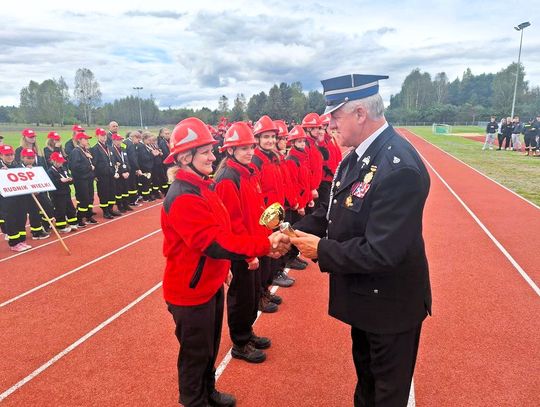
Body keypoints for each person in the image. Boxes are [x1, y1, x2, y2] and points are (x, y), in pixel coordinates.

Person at [290, 73, 432, 407]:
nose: (330, 125)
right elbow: (331, 212)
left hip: (391, 308)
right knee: (367, 384)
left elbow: (381, 251)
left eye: (335, 117)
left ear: (359, 114)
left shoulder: (398, 167)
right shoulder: (358, 156)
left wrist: (321, 249)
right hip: (368, 302)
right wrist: (293, 234)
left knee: (386, 394)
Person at [161, 117, 289, 407]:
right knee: (195, 353)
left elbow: (222, 232)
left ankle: (208, 393)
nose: (212, 156)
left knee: (208, 348)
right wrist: (261, 245)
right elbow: (214, 242)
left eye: (210, 149)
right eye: (204, 151)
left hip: (207, 284)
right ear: (185, 157)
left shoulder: (202, 186)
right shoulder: (183, 196)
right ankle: (194, 400)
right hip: (189, 291)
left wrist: (224, 270)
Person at [213, 121, 271, 364]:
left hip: (251, 245)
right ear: (230, 151)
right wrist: (248, 255)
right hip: (240, 251)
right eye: (243, 148)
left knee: (251, 294)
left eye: (250, 147)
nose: (250, 152)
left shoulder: (246, 172)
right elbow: (233, 223)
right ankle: (240, 342)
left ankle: (247, 332)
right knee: (241, 296)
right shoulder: (228, 178)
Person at [0, 145, 32, 252]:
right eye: (7, 155)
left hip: (19, 197)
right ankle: (14, 243)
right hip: (6, 199)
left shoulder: (16, 165)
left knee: (21, 218)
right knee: (11, 220)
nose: (10, 157)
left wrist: (27, 171)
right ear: (1, 155)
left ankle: (21, 240)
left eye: (11, 154)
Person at [69, 132, 98, 227]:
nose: (87, 141)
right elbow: (74, 166)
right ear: (79, 140)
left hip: (88, 178)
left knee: (90, 198)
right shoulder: (76, 152)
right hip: (81, 180)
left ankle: (89, 216)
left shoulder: (85, 150)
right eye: (85, 139)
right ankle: (79, 218)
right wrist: (89, 167)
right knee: (83, 199)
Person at [91, 128, 122, 219]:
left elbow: (113, 159)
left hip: (111, 173)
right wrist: (95, 175)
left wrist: (116, 164)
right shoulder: (95, 149)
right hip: (102, 175)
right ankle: (105, 211)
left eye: (104, 135)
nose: (104, 137)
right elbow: (94, 163)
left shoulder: (109, 147)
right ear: (97, 136)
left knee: (112, 192)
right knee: (104, 193)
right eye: (101, 135)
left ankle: (111, 209)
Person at [47, 152, 78, 232]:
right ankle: (61, 226)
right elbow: (51, 183)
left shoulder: (63, 168)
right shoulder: (50, 171)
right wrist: (60, 181)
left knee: (70, 208)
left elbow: (69, 175)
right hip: (57, 195)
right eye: (58, 161)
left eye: (61, 161)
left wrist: (70, 179)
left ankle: (73, 223)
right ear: (53, 161)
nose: (60, 163)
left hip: (66, 192)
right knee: (60, 210)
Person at [111, 133, 133, 212]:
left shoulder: (123, 149)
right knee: (119, 191)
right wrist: (121, 173)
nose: (119, 142)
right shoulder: (111, 150)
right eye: (117, 140)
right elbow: (114, 163)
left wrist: (128, 171)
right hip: (119, 175)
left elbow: (127, 161)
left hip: (126, 173)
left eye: (120, 140)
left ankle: (126, 204)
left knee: (125, 190)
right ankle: (120, 206)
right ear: (113, 141)